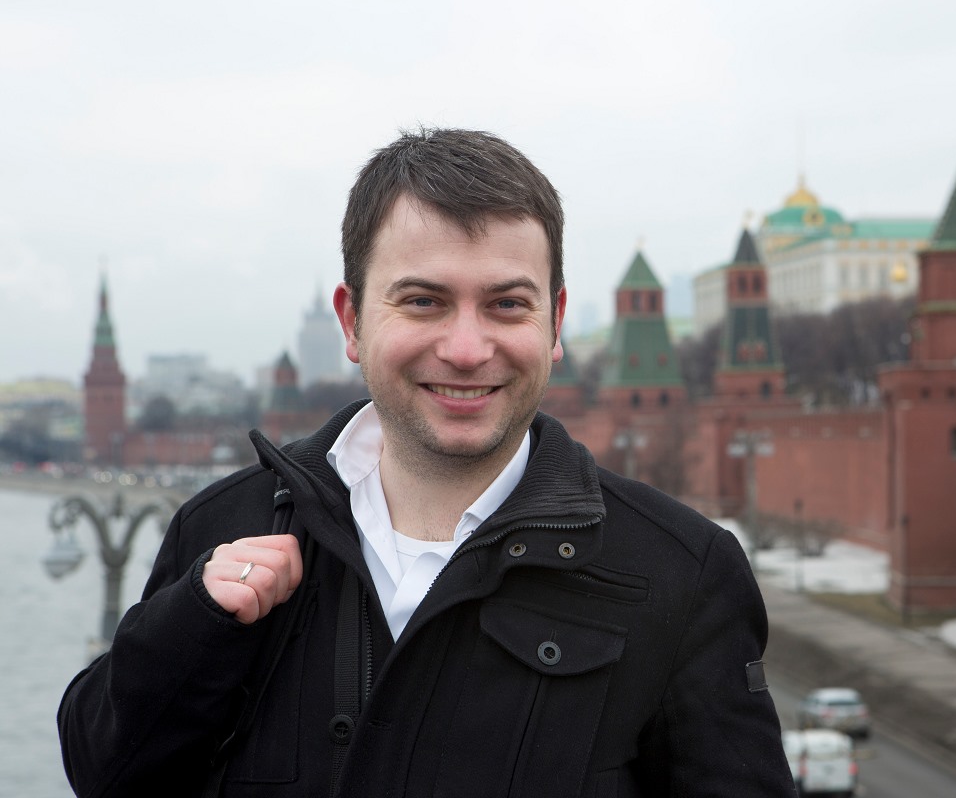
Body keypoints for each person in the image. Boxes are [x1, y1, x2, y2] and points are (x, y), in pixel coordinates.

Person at [58, 128, 795, 796]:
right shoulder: (224, 527)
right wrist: (194, 624)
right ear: (351, 321)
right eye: (423, 302)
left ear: (556, 322)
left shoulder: (679, 574)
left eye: (507, 304)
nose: (468, 349)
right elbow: (106, 773)